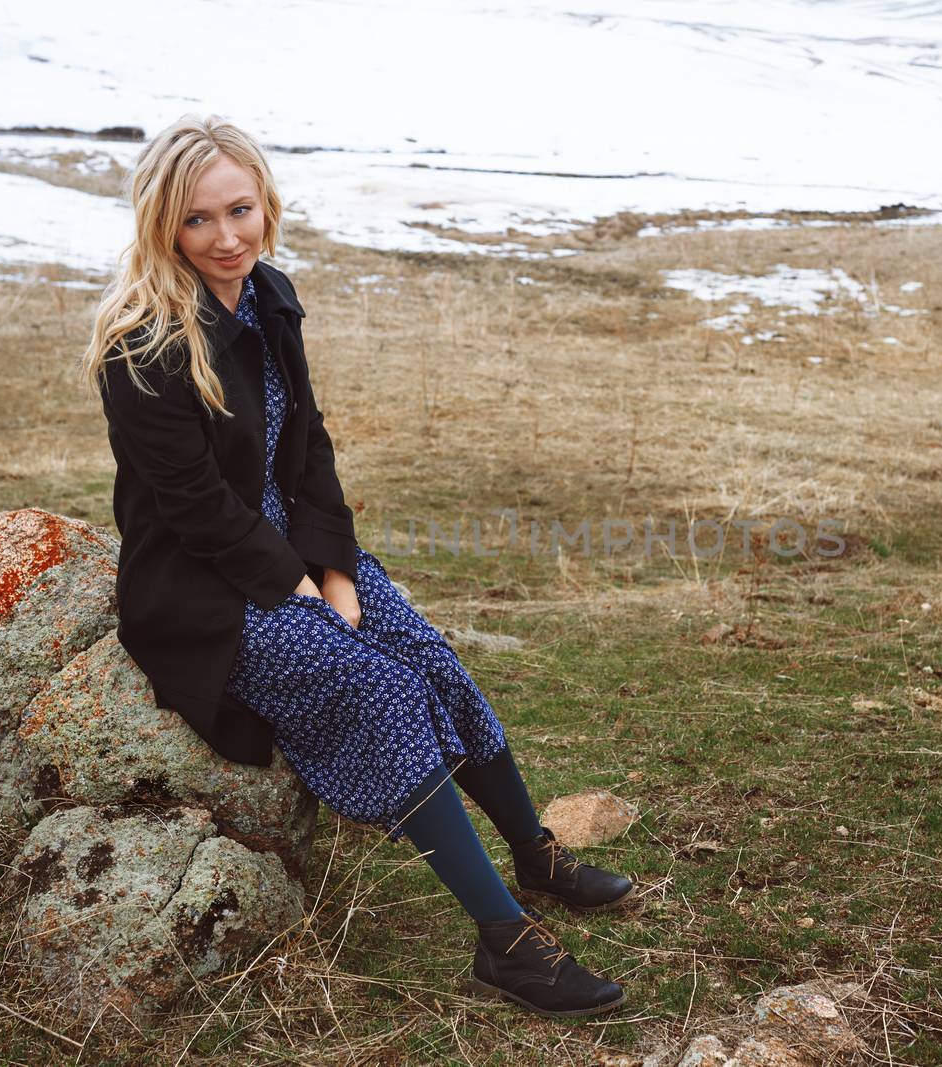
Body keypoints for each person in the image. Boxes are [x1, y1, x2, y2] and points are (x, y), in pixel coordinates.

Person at [78, 114, 634, 1018]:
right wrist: (295, 588)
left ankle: (535, 855)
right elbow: (192, 507)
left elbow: (308, 445)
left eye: (240, 210)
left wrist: (335, 570)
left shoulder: (268, 295)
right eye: (197, 221)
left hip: (295, 550)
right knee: (377, 690)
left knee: (425, 654)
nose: (227, 238)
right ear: (161, 226)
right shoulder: (142, 342)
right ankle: (508, 945)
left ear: (266, 202)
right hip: (203, 586)